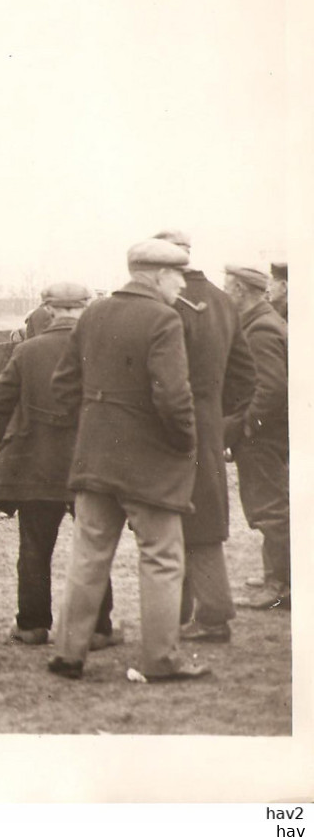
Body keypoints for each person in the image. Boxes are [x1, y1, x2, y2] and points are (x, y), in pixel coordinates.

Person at [47, 239, 206, 682]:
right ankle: (161, 660)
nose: (181, 283)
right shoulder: (163, 318)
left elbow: (63, 388)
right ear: (157, 275)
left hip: (96, 461)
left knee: (88, 557)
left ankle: (68, 654)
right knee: (161, 558)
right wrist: (184, 443)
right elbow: (173, 398)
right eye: (178, 275)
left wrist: (95, 425)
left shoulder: (93, 312)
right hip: (150, 466)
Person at [0, 282, 119, 649]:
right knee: (93, 548)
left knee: (33, 549)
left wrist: (14, 438)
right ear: (85, 309)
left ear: (50, 310)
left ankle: (31, 626)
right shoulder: (102, 351)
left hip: (35, 468)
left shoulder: (27, 351)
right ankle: (98, 628)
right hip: (88, 467)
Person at [149, 232, 256, 644]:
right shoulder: (224, 301)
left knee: (173, 521)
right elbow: (245, 376)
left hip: (170, 428)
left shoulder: (167, 303)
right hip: (208, 427)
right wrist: (222, 425)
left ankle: (201, 616)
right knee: (204, 517)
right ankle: (197, 615)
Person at [223, 264, 289, 610]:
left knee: (270, 507)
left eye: (226, 286)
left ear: (238, 290)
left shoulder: (260, 329)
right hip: (269, 433)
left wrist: (247, 426)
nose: (224, 292)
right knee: (272, 503)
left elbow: (272, 389)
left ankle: (282, 585)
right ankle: (274, 574)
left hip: (264, 436)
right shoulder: (262, 322)